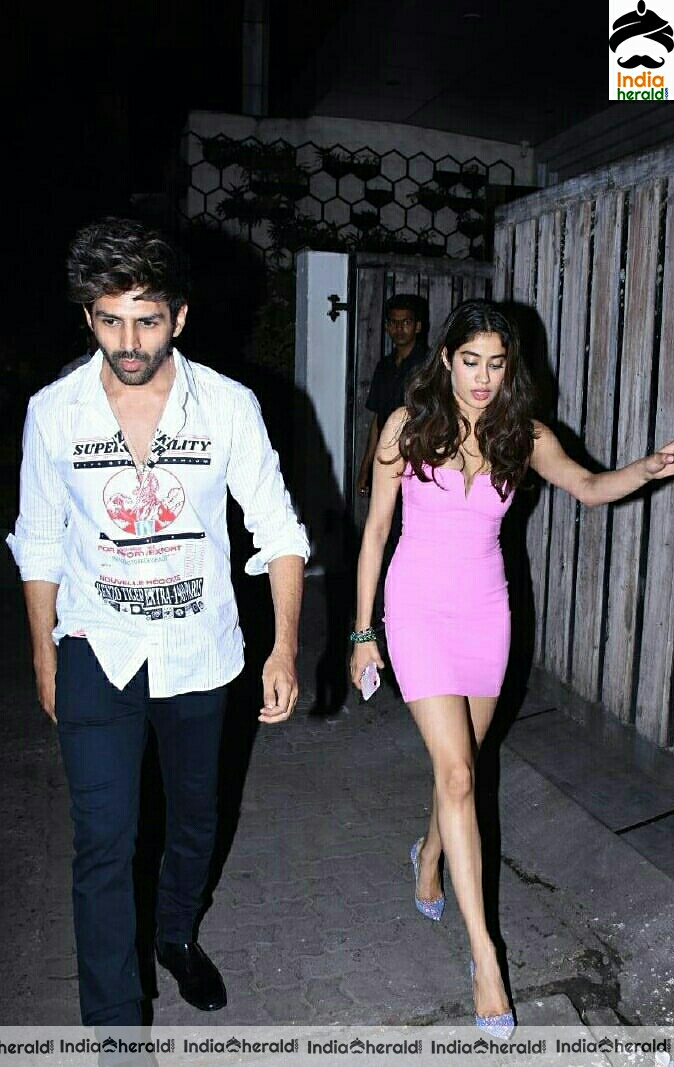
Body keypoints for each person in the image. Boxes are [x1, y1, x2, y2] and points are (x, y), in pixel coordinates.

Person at [7, 218, 309, 1035]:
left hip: (199, 648)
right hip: (95, 646)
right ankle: (115, 1031)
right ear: (88, 317)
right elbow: (39, 538)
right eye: (109, 320)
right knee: (104, 842)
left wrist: (283, 646)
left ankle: (175, 931)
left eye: (146, 320)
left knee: (195, 818)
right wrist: (43, 653)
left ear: (179, 314)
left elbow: (278, 530)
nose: (128, 341)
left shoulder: (230, 407)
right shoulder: (54, 413)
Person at [349, 299, 674, 1038]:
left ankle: (429, 853)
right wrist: (363, 633)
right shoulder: (406, 426)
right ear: (445, 358)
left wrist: (648, 468)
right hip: (417, 611)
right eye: (471, 361)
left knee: (461, 764)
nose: (483, 378)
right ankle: (486, 959)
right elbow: (375, 533)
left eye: (496, 364)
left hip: (485, 616)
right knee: (459, 774)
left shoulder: (522, 435)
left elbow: (589, 487)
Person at [355, 294, 428, 637]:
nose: (400, 329)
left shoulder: (428, 367)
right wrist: (366, 465)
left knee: (409, 539)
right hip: (386, 468)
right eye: (394, 323)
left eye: (406, 322)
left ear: (418, 326)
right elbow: (378, 421)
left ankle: (411, 616)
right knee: (381, 536)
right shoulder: (384, 367)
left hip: (417, 467)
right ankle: (383, 618)